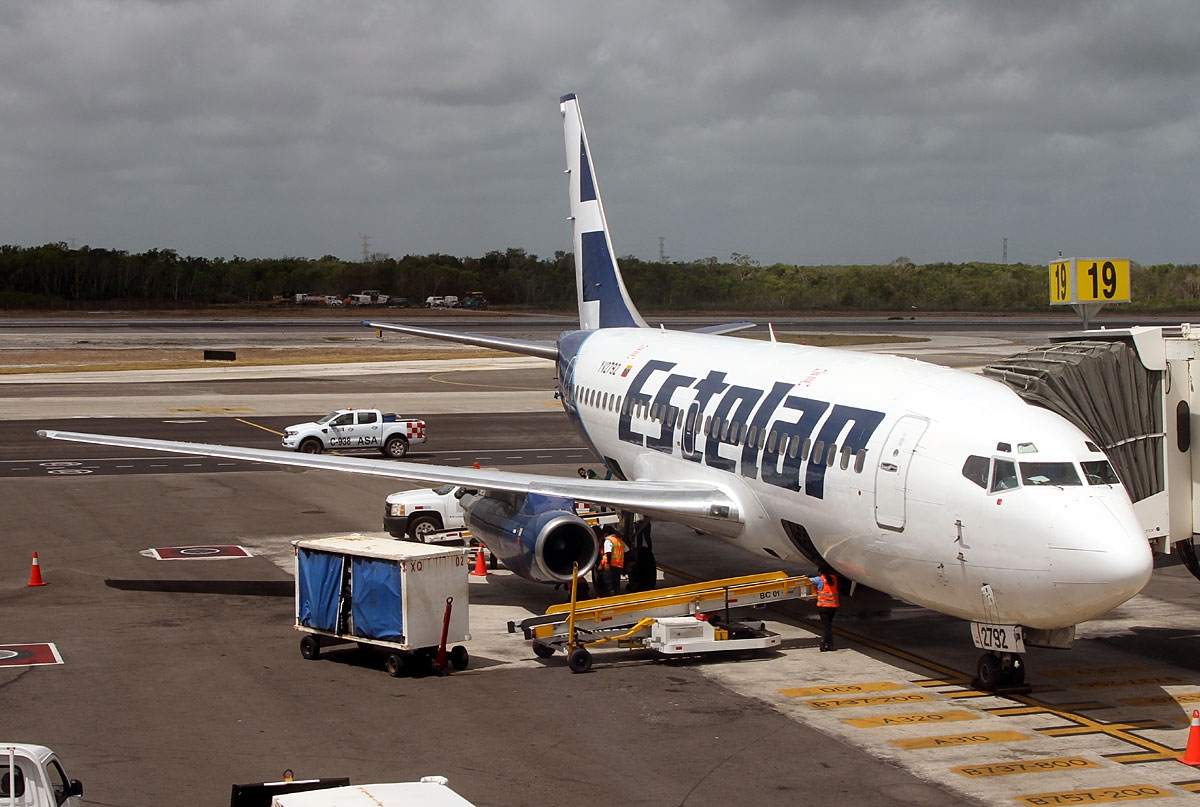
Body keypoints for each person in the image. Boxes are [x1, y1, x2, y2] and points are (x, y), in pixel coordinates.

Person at [809, 566, 840, 651]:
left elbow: (809, 580)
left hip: (823, 607)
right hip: (833, 606)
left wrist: (808, 577)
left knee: (827, 626)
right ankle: (830, 644)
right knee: (828, 625)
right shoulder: (834, 578)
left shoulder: (820, 579)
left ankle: (825, 642)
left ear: (820, 572)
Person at [597, 526, 626, 597]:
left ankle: (610, 598)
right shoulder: (619, 541)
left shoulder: (608, 541)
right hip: (619, 565)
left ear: (606, 533)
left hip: (611, 566)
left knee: (608, 584)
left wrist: (607, 564)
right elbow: (627, 551)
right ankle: (616, 598)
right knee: (616, 584)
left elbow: (608, 553)